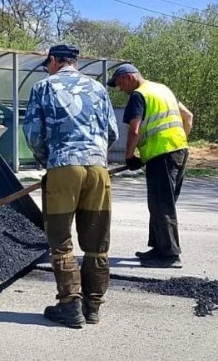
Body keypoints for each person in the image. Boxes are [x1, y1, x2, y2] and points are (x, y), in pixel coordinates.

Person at [23, 44, 119, 328]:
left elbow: (33, 133)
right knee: (97, 244)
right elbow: (111, 131)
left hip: (64, 166)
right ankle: (92, 307)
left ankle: (69, 307)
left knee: (61, 242)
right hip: (98, 169)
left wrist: (48, 161)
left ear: (54, 61)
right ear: (75, 62)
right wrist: (95, 154)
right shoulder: (98, 89)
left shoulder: (44, 87)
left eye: (47, 64)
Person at [107, 64, 193, 269]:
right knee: (163, 203)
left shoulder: (139, 95)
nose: (120, 89)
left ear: (128, 77)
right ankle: (158, 248)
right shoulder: (162, 89)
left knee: (161, 204)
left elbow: (135, 130)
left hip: (161, 155)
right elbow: (188, 116)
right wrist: (178, 141)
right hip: (178, 151)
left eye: (119, 84)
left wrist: (129, 156)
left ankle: (169, 255)